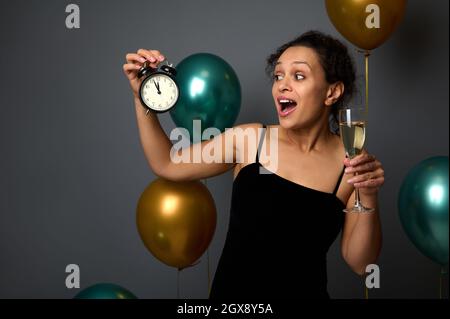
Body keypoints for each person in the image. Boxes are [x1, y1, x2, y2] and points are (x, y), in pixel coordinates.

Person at [123, 30, 384, 299]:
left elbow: (360, 263)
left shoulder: (351, 162)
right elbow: (167, 163)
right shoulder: (250, 140)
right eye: (278, 76)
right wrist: (141, 97)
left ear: (332, 92)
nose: (282, 85)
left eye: (298, 76)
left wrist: (369, 193)